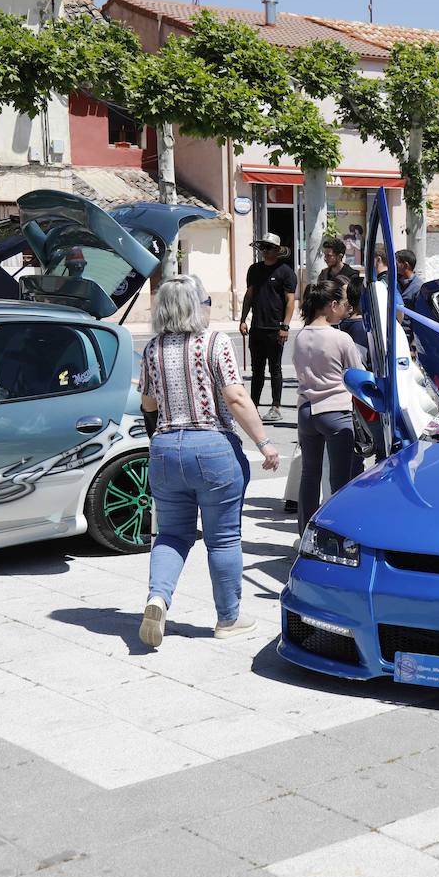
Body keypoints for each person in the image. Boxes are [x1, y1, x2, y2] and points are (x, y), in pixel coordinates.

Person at [138, 277, 281, 648]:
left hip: (166, 449)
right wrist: (264, 442)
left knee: (170, 535)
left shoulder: (152, 348)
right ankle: (228, 618)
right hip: (212, 447)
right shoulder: (215, 342)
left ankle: (158, 598)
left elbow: (149, 404)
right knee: (223, 539)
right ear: (194, 305)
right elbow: (235, 397)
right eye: (205, 300)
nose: (208, 306)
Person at [291, 280, 365, 530]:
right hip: (335, 411)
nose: (346, 308)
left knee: (309, 476)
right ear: (332, 305)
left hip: (306, 410)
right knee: (340, 481)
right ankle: (337, 534)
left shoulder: (300, 336)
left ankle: (305, 534)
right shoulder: (341, 338)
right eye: (343, 304)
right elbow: (359, 374)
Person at [240, 233, 296, 423]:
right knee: (257, 370)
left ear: (277, 250)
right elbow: (249, 296)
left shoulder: (286, 272)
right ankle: (253, 406)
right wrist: (242, 319)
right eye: (263, 247)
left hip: (275, 328)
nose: (265, 250)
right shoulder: (254, 270)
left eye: (269, 247)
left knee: (275, 369)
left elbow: (290, 301)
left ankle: (276, 406)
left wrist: (285, 326)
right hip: (257, 327)